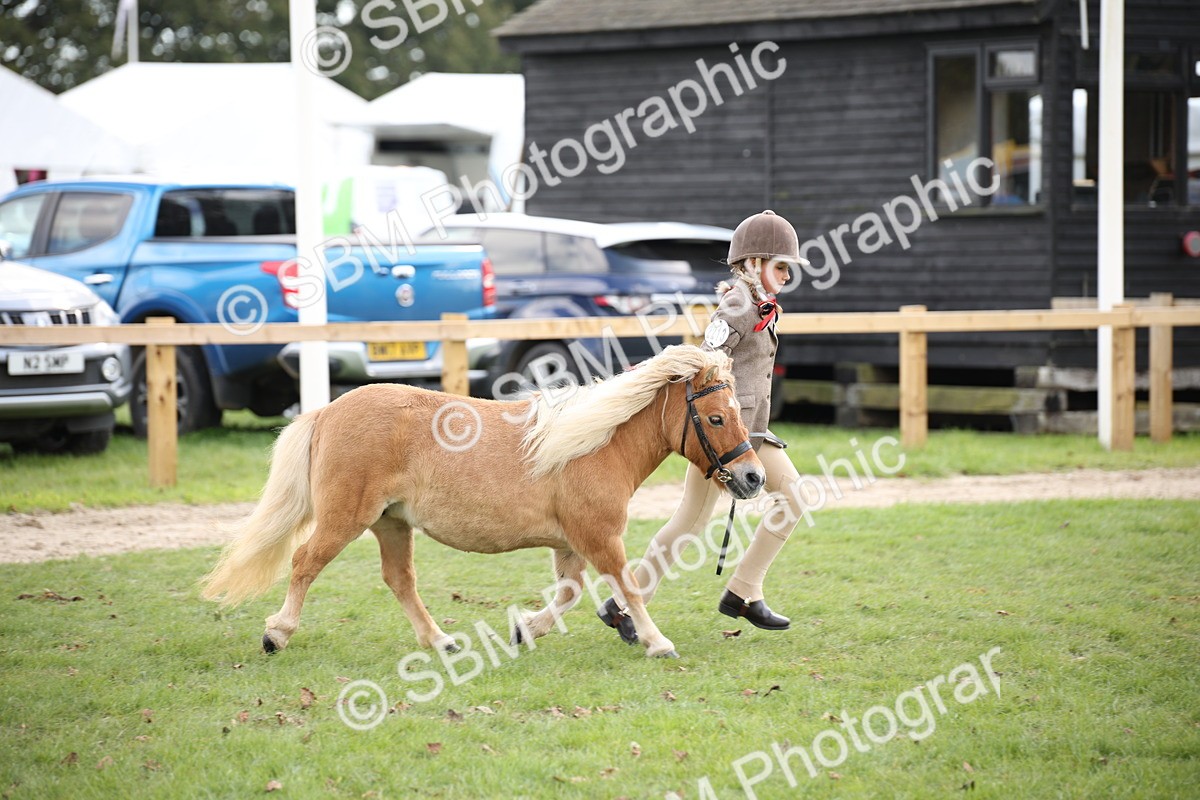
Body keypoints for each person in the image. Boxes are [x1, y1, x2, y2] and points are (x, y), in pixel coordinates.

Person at [598, 210, 809, 642]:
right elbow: (707, 361)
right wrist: (715, 423)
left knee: (793, 498)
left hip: (752, 434)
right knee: (689, 524)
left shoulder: (763, 305)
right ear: (753, 264)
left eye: (789, 268)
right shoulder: (737, 304)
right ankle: (624, 604)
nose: (787, 275)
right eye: (781, 265)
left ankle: (743, 590)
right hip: (721, 436)